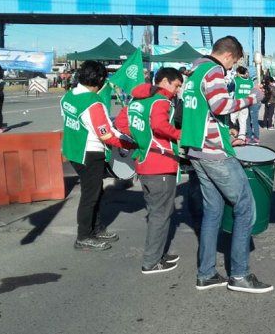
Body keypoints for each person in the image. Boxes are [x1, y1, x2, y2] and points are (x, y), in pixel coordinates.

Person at [180, 35, 272, 294]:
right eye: (234, 63)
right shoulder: (214, 71)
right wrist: (252, 98)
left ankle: (206, 273)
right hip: (215, 153)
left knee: (213, 212)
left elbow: (203, 110)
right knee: (244, 207)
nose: (232, 68)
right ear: (230, 55)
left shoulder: (195, 72)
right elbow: (221, 106)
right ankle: (240, 275)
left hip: (196, 150)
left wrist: (222, 130)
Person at [60, 60, 136, 250]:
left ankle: (97, 228)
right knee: (90, 196)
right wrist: (130, 143)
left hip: (73, 150)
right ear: (100, 79)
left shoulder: (68, 96)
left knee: (95, 191)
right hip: (90, 153)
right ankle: (84, 236)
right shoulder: (93, 103)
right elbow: (106, 134)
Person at [114, 67, 184, 274]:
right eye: (176, 85)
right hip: (160, 163)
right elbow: (160, 126)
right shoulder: (161, 101)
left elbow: (120, 123)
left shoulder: (135, 101)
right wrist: (181, 134)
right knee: (160, 214)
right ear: (164, 81)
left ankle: (158, 253)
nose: (177, 91)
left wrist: (140, 140)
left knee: (157, 211)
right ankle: (151, 261)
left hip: (144, 162)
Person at [229, 66, 252, 142]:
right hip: (245, 104)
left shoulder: (235, 80)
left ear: (238, 72)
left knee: (231, 119)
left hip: (236, 103)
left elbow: (228, 88)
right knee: (243, 122)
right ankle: (242, 137)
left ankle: (230, 133)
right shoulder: (250, 81)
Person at [246, 74, 261, 144]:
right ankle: (249, 136)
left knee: (254, 121)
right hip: (248, 104)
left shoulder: (255, 88)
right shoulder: (251, 85)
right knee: (247, 120)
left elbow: (253, 96)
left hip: (254, 104)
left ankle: (256, 138)